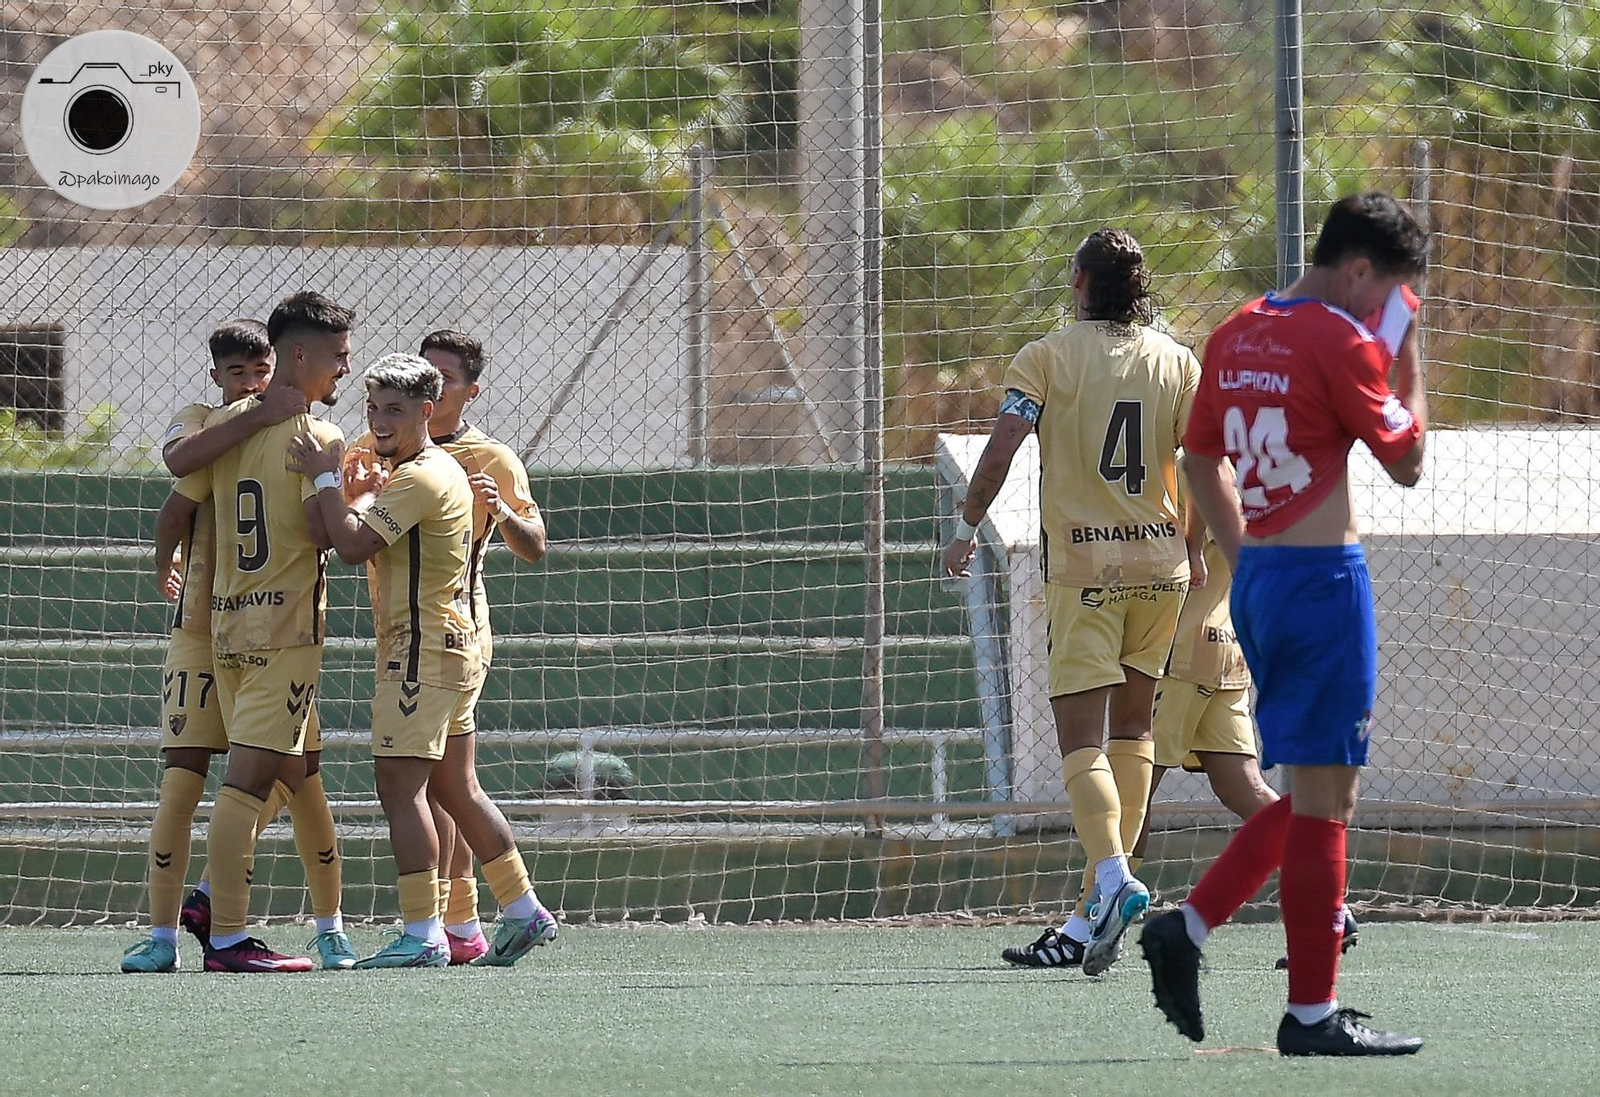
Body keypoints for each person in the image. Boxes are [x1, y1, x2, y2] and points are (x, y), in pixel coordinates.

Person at [1139, 191, 1427, 1056]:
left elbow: (1197, 454)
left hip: (1263, 576)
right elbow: (1408, 459)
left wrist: (1246, 550)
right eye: (1387, 295)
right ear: (1361, 270)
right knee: (1330, 798)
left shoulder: (1236, 329)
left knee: (1313, 794)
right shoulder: (1341, 339)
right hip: (1323, 581)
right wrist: (1411, 354)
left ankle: (1190, 929)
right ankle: (1308, 1012)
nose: (1383, 312)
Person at [944, 228, 1199, 976]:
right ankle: (1094, 911)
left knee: (1079, 739)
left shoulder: (1046, 356)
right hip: (1163, 565)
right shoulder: (1177, 361)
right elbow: (1206, 458)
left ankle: (1114, 879)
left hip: (1086, 568)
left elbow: (1000, 450)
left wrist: (965, 528)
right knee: (1136, 727)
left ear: (1081, 282)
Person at [292, 354, 556, 968]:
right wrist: (353, 493)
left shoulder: (421, 476)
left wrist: (331, 482)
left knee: (399, 786)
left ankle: (423, 933)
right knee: (455, 787)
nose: (379, 422)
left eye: (395, 410)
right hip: (449, 645)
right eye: (373, 407)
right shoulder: (420, 469)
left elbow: (353, 545)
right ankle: (522, 911)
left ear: (426, 412)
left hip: (421, 649)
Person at [122, 319, 355, 972]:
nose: (251, 383)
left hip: (238, 628)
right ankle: (183, 932)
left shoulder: (263, 432)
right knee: (200, 785)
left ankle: (326, 925)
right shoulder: (215, 428)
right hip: (228, 631)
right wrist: (163, 566)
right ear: (218, 375)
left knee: (299, 778)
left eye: (260, 372)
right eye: (239, 373)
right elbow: (175, 489)